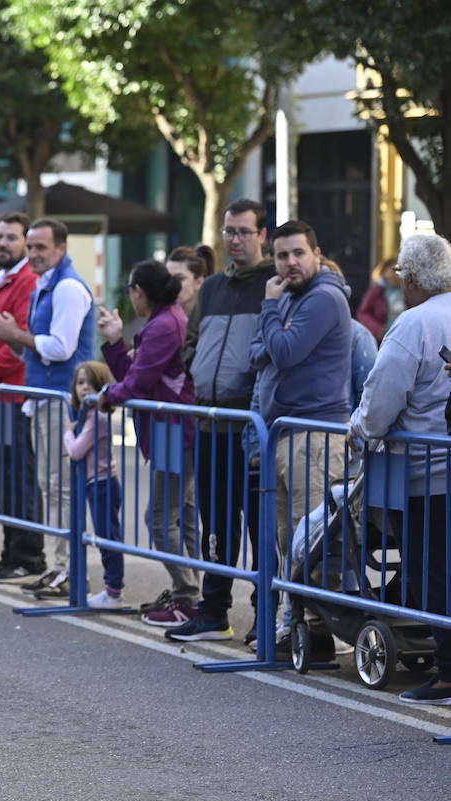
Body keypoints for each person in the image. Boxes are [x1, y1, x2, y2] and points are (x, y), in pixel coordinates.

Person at [348, 233, 451, 703]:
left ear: (409, 279)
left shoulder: (414, 325)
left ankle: (447, 674)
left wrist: (360, 429)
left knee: (432, 573)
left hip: (423, 474)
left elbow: (380, 401)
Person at [169, 200, 273, 640]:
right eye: (229, 231)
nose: (235, 239)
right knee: (216, 524)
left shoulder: (274, 283)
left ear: (262, 236)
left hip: (250, 428)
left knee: (259, 525)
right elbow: (191, 340)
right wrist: (197, 370)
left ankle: (264, 615)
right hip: (211, 422)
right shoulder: (211, 288)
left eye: (244, 232)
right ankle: (214, 613)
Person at [248, 219, 352, 657]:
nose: (289, 263)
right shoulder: (289, 298)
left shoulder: (324, 298)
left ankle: (319, 633)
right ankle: (304, 630)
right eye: (281, 255)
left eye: (297, 253)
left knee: (311, 543)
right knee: (290, 540)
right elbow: (256, 354)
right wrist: (276, 329)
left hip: (315, 435)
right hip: (285, 433)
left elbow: (285, 352)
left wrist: (272, 316)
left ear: (316, 253)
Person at [0, 218, 95, 600]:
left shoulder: (69, 288)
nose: (34, 254)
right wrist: (12, 338)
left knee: (62, 488)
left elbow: (61, 347)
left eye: (41, 247)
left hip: (64, 400)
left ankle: (69, 568)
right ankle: (60, 568)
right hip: (42, 399)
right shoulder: (45, 285)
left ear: (61, 248)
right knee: (52, 486)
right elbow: (33, 347)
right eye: (31, 247)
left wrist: (13, 335)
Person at [99, 260, 201, 621]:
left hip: (174, 429)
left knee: (159, 519)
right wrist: (115, 342)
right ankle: (189, 593)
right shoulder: (164, 320)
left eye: (131, 290)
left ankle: (189, 597)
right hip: (172, 428)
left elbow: (135, 384)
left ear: (138, 291)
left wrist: (107, 394)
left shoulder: (163, 324)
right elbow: (138, 375)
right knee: (180, 517)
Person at [0, 213, 46, 582]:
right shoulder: (3, 278)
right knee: (1, 475)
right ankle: (10, 551)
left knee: (17, 476)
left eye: (11, 238)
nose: (2, 243)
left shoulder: (26, 280)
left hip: (10, 395)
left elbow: (19, 343)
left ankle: (28, 556)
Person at [63, 361, 124, 609]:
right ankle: (112, 589)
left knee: (108, 537)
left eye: (91, 383)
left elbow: (76, 451)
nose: (84, 388)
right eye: (80, 383)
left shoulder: (97, 416)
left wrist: (68, 432)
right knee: (103, 535)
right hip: (95, 482)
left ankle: (114, 591)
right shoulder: (87, 414)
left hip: (102, 483)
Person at [356, 257, 403, 343]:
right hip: (382, 340)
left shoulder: (407, 291)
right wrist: (377, 330)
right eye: (393, 270)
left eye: (399, 271)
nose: (396, 275)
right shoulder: (377, 290)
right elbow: (363, 313)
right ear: (384, 271)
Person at [166, 245, 213, 315]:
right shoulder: (161, 317)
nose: (170, 285)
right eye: (167, 278)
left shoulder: (211, 318)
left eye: (179, 278)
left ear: (198, 282)